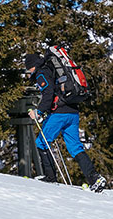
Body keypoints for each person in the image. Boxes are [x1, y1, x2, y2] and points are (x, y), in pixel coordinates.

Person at [24, 52, 107, 192]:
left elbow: (48, 93)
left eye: (28, 68)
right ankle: (95, 178)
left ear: (32, 66)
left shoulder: (41, 73)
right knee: (75, 147)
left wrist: (38, 112)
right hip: (73, 112)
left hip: (59, 114)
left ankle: (50, 178)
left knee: (42, 142)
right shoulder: (52, 69)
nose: (29, 72)